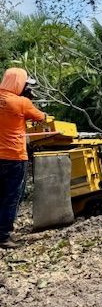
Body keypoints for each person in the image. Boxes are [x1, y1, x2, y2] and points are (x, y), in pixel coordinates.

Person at [0, 67, 46, 249]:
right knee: (11, 196)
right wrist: (28, 101)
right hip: (14, 156)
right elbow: (41, 117)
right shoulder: (21, 102)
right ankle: (3, 236)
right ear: (19, 83)